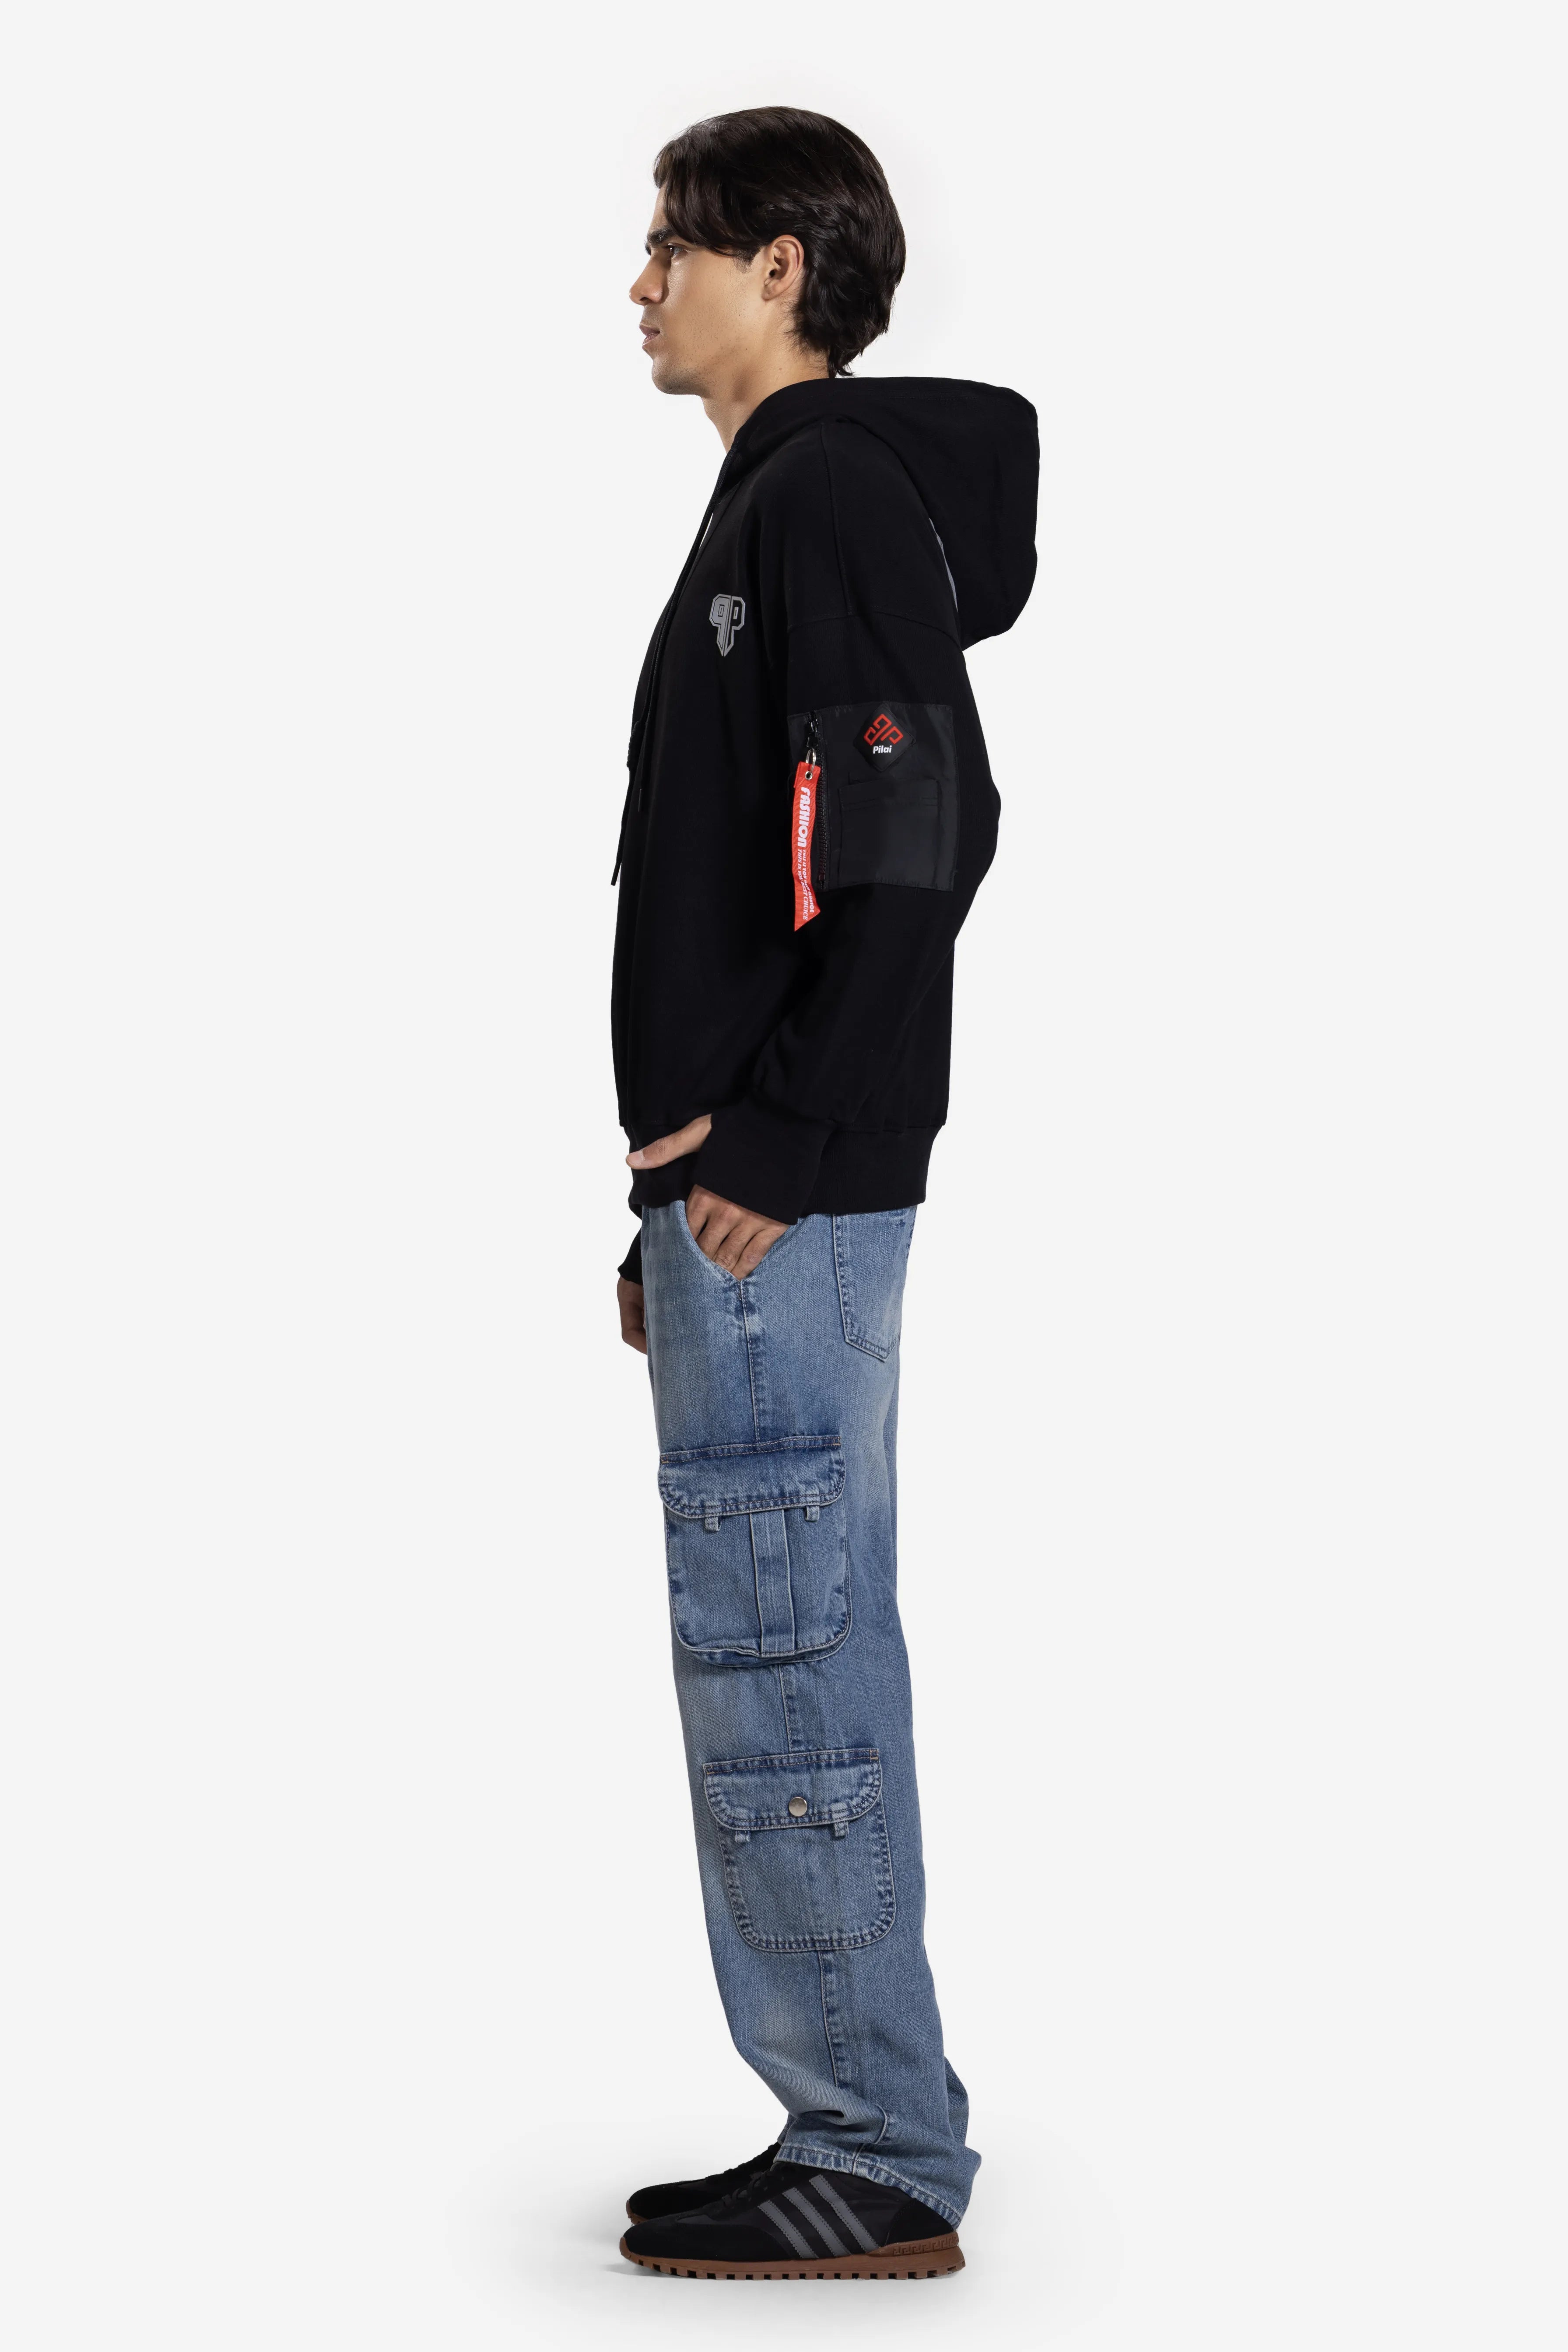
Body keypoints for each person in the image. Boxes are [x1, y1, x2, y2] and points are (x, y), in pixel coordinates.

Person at [610, 107, 1037, 2281]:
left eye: (672, 246)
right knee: (770, 1631)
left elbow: (913, 836)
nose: (639, 284)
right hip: (742, 1197)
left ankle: (872, 2146)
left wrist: (770, 1147)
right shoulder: (783, 497)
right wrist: (666, 1198)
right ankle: (850, 2113)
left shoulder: (829, 490)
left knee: (780, 1641)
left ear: (778, 267)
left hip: (784, 1187)